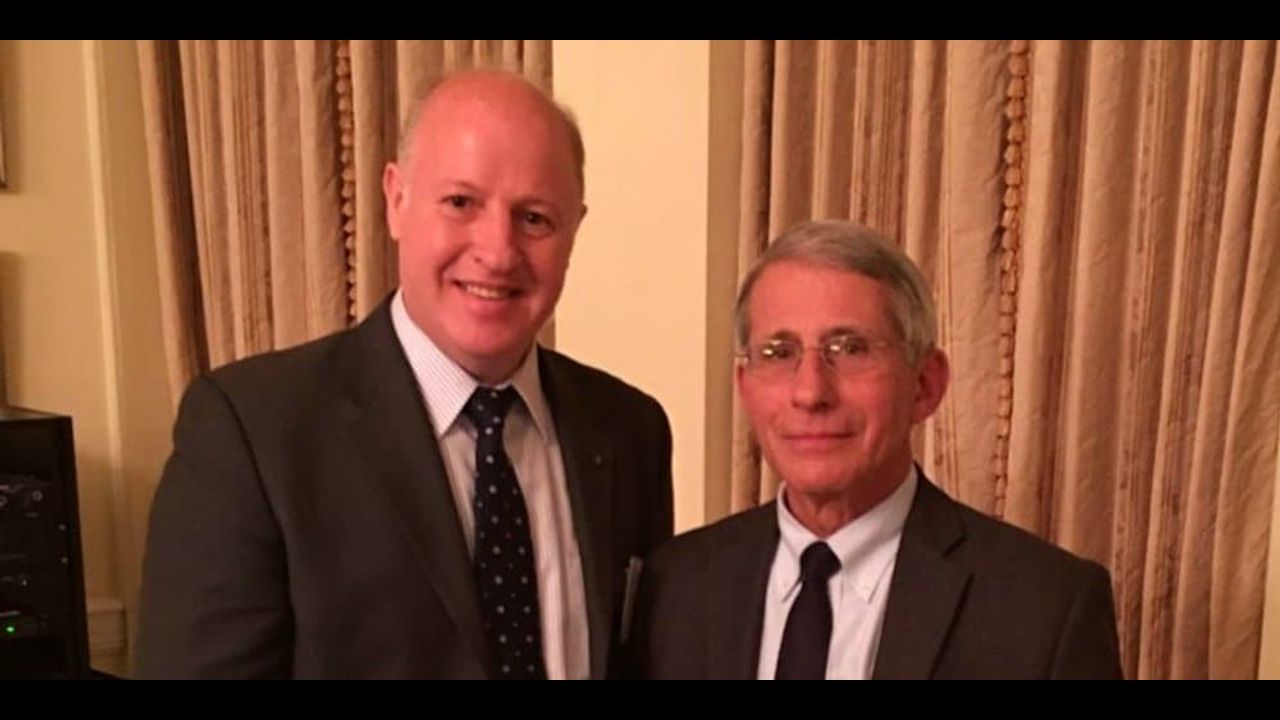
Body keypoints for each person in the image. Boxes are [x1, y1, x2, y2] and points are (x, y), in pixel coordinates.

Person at [136, 70, 674, 679]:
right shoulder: (252, 435)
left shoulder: (630, 430)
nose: (497, 251)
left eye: (534, 218)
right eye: (461, 203)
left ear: (574, 229)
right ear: (396, 200)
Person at [631, 220, 1121, 680]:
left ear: (925, 385)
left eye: (850, 349)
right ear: (745, 386)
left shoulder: (1046, 609)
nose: (810, 392)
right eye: (779, 353)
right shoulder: (675, 586)